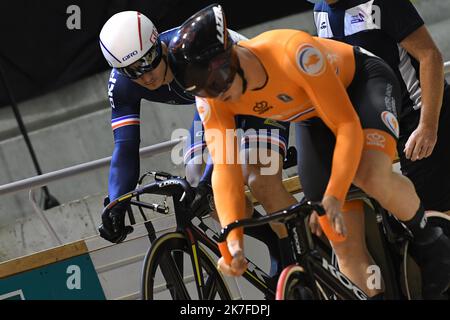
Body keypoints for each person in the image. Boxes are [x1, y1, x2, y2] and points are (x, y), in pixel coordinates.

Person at [168, 4, 450, 299]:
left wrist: (335, 194)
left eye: (218, 83)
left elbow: (346, 126)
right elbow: (225, 171)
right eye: (205, 91)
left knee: (369, 174)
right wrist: (233, 240)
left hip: (363, 83)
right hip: (311, 116)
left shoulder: (293, 51)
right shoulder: (212, 100)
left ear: (231, 57)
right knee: (340, 239)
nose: (217, 95)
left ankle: (431, 240)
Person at [97, 11, 296, 276]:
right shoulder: (121, 85)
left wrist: (209, 180)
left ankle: (298, 248)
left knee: (260, 178)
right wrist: (117, 202)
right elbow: (125, 146)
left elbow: (226, 132)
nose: (145, 76)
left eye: (147, 60)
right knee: (195, 176)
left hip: (253, 87)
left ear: (159, 45)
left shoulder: (188, 53)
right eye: (131, 71)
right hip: (214, 99)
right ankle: (272, 238)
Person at [308, 0, 450, 298]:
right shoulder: (321, 10)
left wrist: (429, 126)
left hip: (420, 114)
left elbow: (430, 56)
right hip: (380, 121)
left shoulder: (383, 1)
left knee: (437, 221)